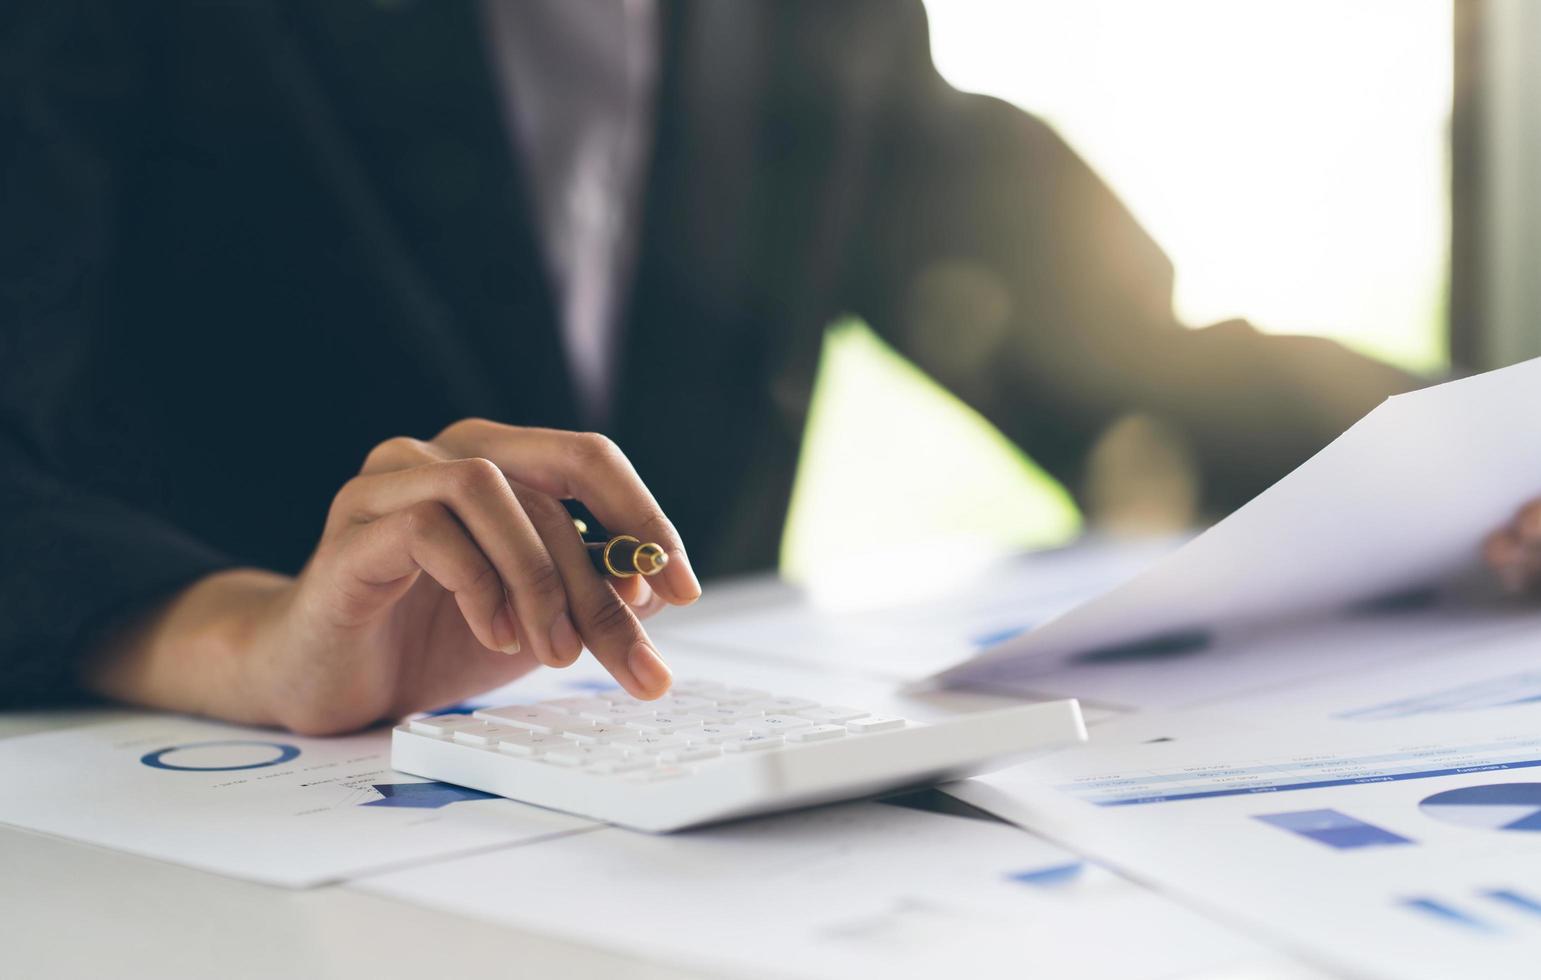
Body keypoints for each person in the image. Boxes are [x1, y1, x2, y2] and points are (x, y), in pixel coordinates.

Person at [3, 1, 1537, 734]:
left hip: (657, 831)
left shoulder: (801, 24)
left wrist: (1462, 478)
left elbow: (1123, 358)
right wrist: (242, 636)